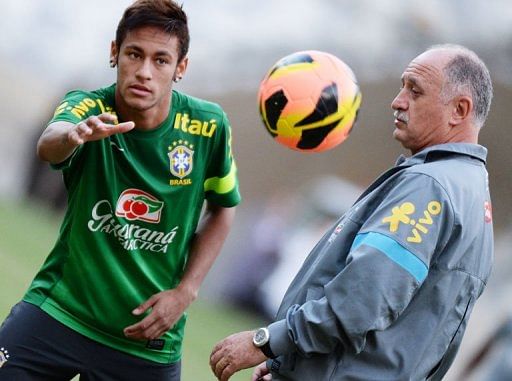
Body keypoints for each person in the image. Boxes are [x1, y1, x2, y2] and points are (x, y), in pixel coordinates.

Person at [210, 43, 494, 381]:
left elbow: (360, 302)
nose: (398, 100)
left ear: (459, 110)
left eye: (415, 91)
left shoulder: (428, 186)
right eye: (402, 86)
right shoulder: (474, 195)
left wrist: (268, 342)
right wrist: (291, 364)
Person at [0, 0, 240, 380]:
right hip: (59, 313)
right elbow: (49, 143)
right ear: (115, 53)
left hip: (145, 344)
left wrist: (186, 291)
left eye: (160, 60)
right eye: (134, 54)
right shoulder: (89, 106)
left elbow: (223, 209)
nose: (144, 71)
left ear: (181, 68)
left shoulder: (208, 127)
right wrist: (74, 135)